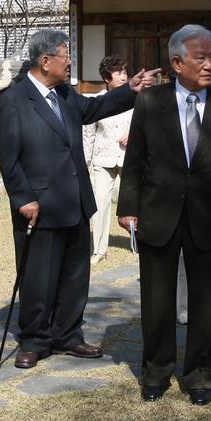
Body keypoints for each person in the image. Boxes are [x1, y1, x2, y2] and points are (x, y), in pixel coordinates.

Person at [0, 30, 159, 369]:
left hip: (74, 200)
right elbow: (8, 157)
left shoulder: (66, 93)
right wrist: (22, 197)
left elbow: (94, 107)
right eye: (65, 56)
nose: (70, 62)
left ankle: (68, 334)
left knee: (74, 275)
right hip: (38, 206)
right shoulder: (14, 100)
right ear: (45, 61)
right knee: (38, 278)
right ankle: (34, 340)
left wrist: (130, 90)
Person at [118, 25, 211, 406]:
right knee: (157, 298)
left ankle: (201, 375)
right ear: (177, 63)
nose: (210, 66)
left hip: (209, 214)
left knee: (208, 299)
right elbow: (135, 159)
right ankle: (156, 371)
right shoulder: (149, 102)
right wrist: (128, 208)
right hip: (159, 212)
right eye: (201, 58)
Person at [82, 55, 132, 265]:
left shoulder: (134, 98)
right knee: (100, 203)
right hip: (102, 158)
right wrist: (85, 163)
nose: (123, 77)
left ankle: (138, 243)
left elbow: (143, 123)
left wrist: (132, 133)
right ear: (106, 78)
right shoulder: (97, 101)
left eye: (125, 72)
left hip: (129, 158)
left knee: (134, 204)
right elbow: (88, 135)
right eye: (118, 72)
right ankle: (99, 249)